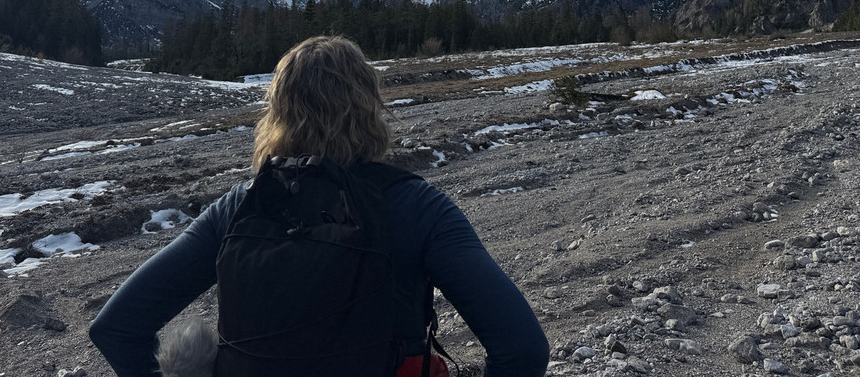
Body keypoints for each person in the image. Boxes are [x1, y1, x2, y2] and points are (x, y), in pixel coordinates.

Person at [89, 35, 549, 377]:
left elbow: (116, 328)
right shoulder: (415, 205)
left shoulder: (239, 208)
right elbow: (522, 349)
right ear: (370, 108)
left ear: (277, 114)